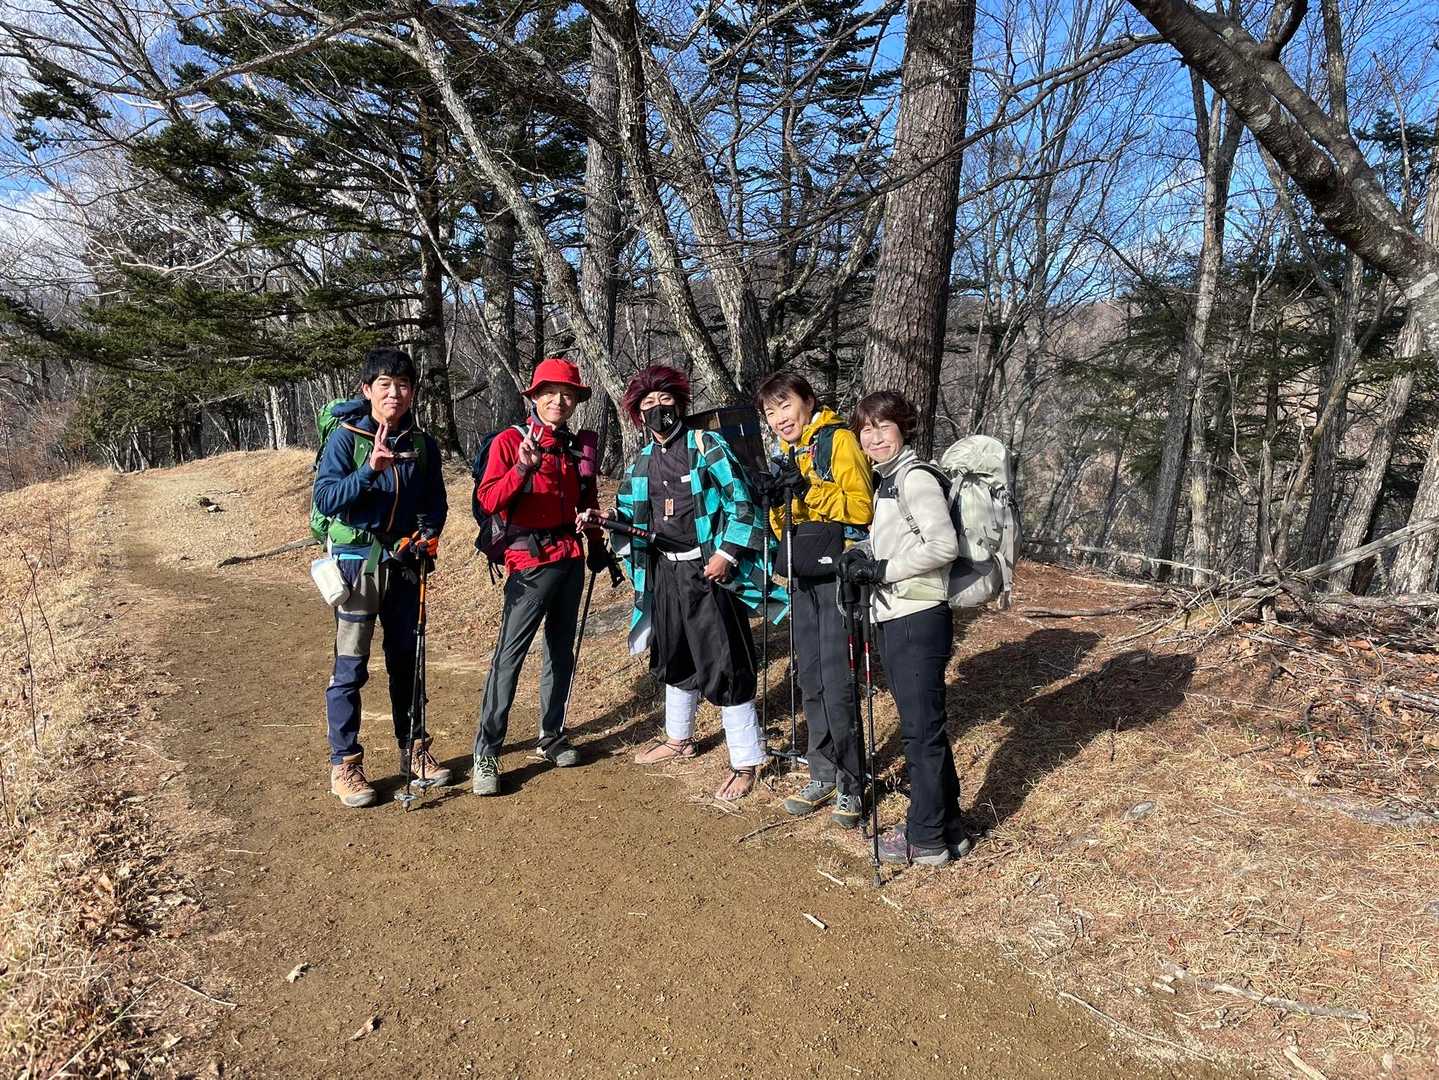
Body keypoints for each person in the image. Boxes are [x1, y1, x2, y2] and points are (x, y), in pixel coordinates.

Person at [580, 364, 779, 801]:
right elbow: (630, 513)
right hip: (665, 572)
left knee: (725, 660)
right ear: (637, 414)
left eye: (665, 399)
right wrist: (605, 518)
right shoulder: (642, 460)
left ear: (680, 403)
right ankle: (679, 738)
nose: (658, 408)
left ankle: (746, 760)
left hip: (709, 570)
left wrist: (727, 554)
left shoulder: (706, 444)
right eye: (648, 403)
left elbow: (743, 503)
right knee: (674, 652)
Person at [313, 346, 450, 808]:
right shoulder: (346, 439)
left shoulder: (422, 445)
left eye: (403, 385)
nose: (395, 393)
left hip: (406, 564)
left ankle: (416, 750)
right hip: (358, 565)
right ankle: (345, 764)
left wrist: (428, 534)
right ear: (367, 390)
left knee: (407, 660)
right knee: (351, 666)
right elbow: (328, 498)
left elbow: (435, 503)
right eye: (385, 385)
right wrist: (369, 471)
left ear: (413, 392)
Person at [838, 391, 971, 866]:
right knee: (925, 728)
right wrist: (862, 554)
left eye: (883, 427)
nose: (874, 438)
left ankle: (925, 838)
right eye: (866, 430)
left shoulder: (915, 478)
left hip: (917, 615)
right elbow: (897, 540)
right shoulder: (889, 480)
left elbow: (943, 546)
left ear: (904, 428)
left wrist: (884, 570)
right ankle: (949, 828)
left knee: (920, 733)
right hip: (900, 613)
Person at [470, 357, 612, 796]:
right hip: (528, 564)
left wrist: (596, 546)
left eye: (567, 394)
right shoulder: (510, 441)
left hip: (569, 558)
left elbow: (587, 500)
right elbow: (488, 499)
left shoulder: (575, 448)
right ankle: (486, 752)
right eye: (549, 392)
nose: (559, 400)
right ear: (533, 397)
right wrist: (522, 468)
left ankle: (551, 736)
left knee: (560, 652)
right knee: (509, 657)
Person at [756, 371, 874, 828]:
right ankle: (821, 772)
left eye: (785, 405)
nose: (779, 418)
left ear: (808, 401)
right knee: (809, 677)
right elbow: (784, 527)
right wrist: (776, 500)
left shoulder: (838, 440)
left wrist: (808, 489)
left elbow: (862, 508)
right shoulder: (786, 453)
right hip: (803, 573)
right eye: (771, 412)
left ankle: (851, 781)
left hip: (839, 574)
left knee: (837, 679)